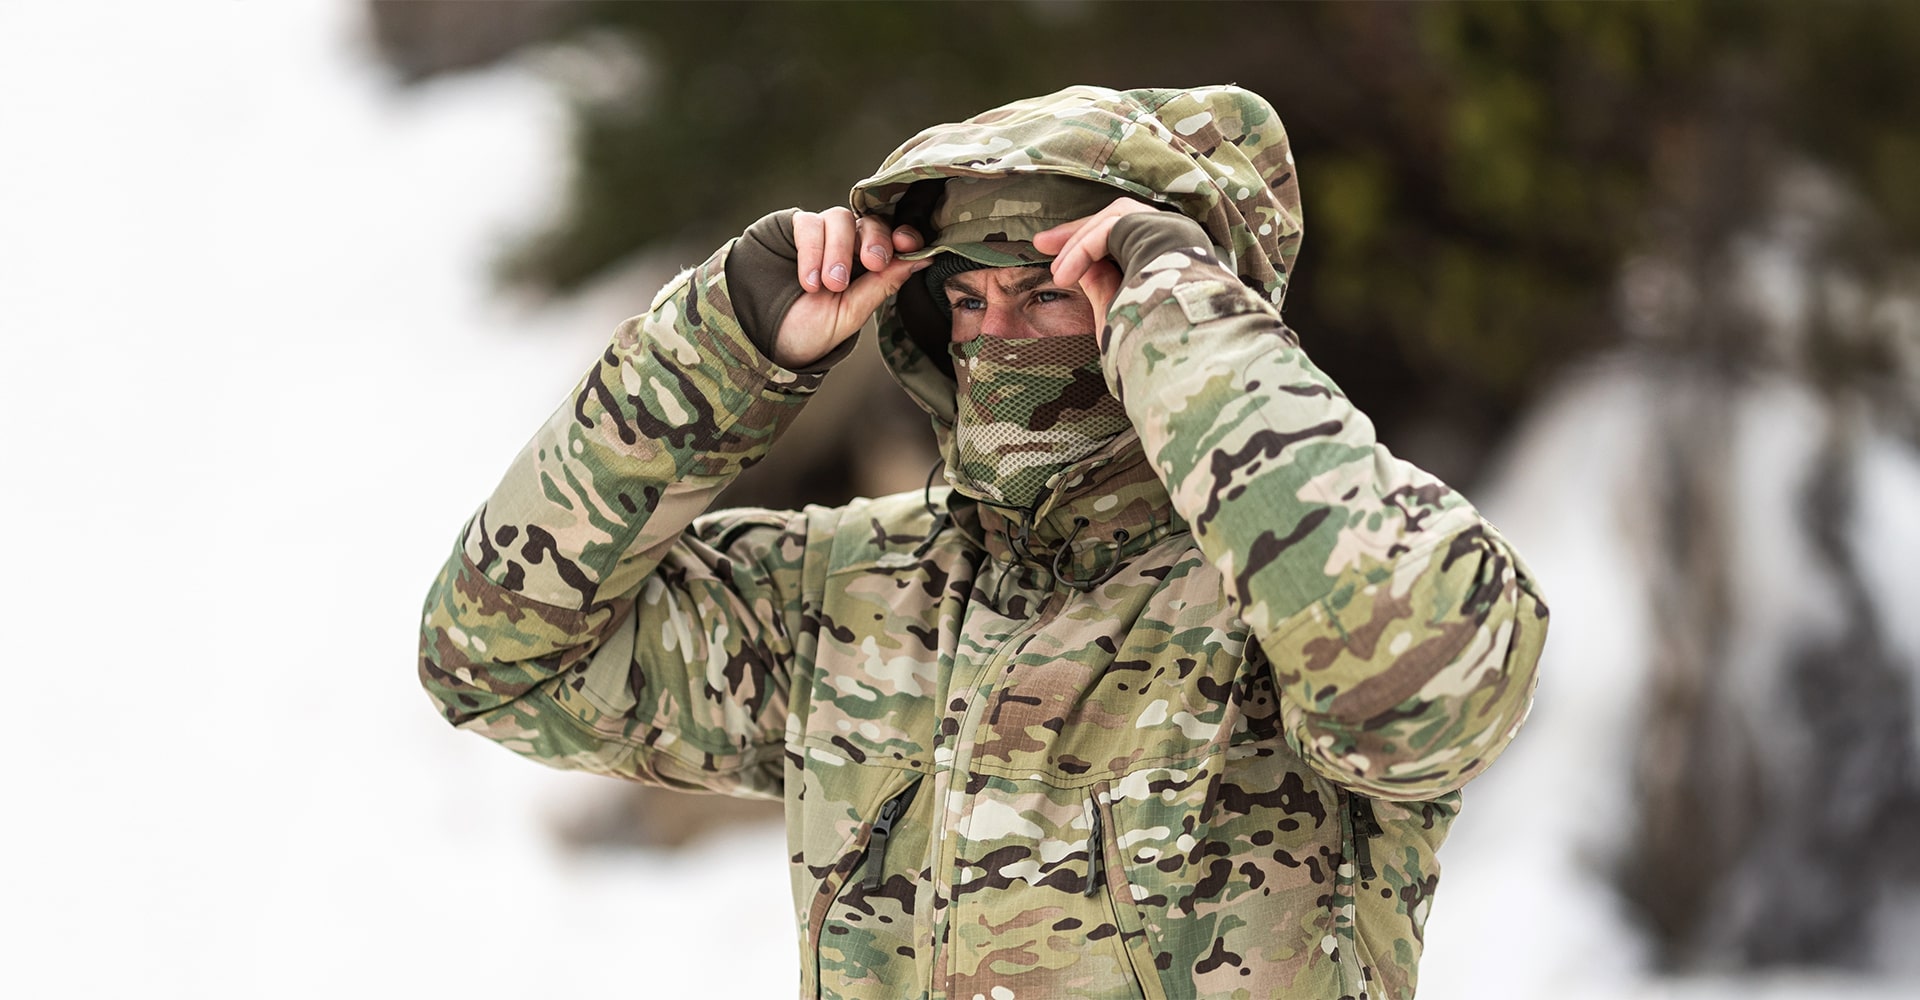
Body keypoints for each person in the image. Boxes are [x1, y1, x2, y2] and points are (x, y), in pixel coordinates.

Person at [419, 84, 1548, 1000]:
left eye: (1052, 296)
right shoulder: (854, 594)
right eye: (964, 303)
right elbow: (494, 658)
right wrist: (719, 344)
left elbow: (1419, 682)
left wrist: (1183, 317)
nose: (998, 338)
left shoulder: (1289, 605)